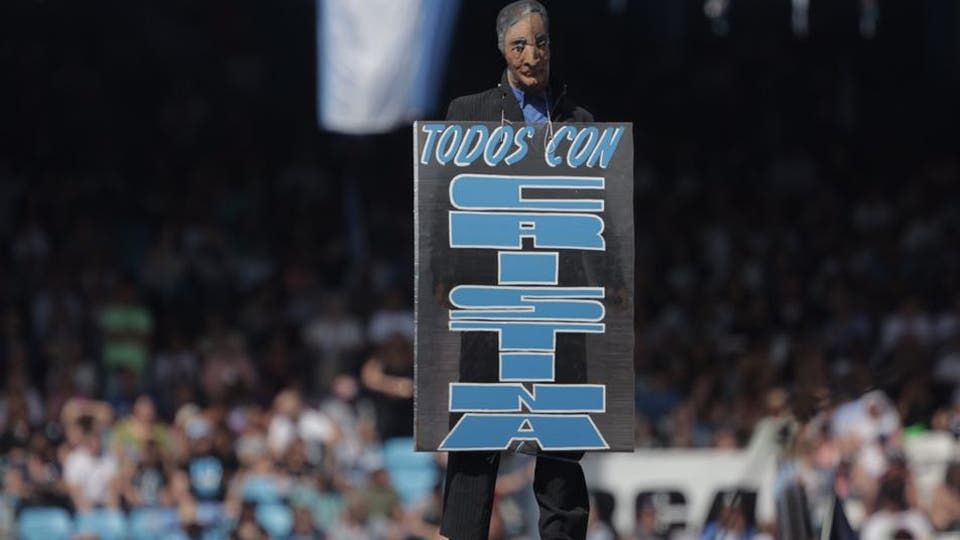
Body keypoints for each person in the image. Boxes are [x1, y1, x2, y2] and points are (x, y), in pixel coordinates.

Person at [440, 2, 594, 539]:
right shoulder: (468, 112)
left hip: (557, 297)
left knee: (560, 435)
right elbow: (445, 204)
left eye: (542, 43)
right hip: (490, 293)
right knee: (478, 433)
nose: (533, 56)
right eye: (520, 45)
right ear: (502, 50)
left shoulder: (581, 124)